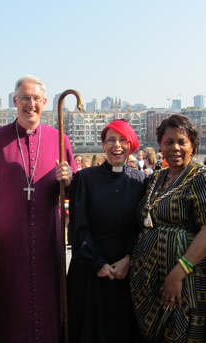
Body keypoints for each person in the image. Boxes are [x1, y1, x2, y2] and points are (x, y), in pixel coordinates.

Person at [0, 74, 76, 343]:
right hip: (7, 245)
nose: (30, 104)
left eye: (36, 99)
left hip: (47, 242)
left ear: (44, 102)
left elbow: (74, 192)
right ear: (14, 101)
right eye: (24, 98)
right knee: (10, 307)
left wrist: (69, 179)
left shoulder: (59, 139)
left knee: (47, 301)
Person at [130, 114, 206, 343]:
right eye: (168, 141)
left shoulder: (202, 176)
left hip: (186, 280)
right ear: (160, 144)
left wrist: (178, 273)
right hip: (151, 278)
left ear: (193, 145)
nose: (175, 148)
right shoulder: (156, 178)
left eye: (182, 141)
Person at [67, 119, 146, 342]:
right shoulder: (84, 178)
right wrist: (97, 262)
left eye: (122, 140)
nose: (117, 145)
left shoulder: (142, 181)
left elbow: (142, 227)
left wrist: (128, 259)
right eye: (110, 140)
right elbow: (78, 227)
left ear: (131, 144)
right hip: (90, 271)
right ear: (103, 146)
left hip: (126, 271)